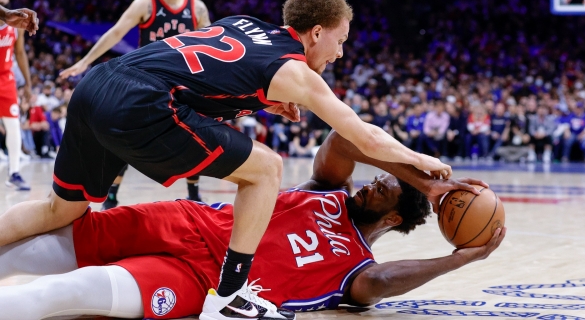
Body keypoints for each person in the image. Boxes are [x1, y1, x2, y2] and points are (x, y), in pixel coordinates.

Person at [0, 0, 451, 320]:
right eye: (340, 40)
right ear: (316, 32)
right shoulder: (298, 71)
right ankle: (234, 293)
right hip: (141, 104)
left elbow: (203, 70)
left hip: (99, 84)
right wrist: (421, 160)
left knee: (60, 209)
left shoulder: (241, 21)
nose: (338, 52)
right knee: (266, 168)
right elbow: (363, 135)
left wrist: (257, 99)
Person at [0, 131, 504, 319]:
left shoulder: (359, 269)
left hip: (205, 285)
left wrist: (462, 258)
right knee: (36, 249)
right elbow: (345, 142)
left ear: (393, 217)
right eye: (377, 180)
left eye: (383, 190)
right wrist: (420, 174)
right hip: (185, 222)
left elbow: (379, 286)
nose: (369, 185)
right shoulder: (324, 190)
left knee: (68, 291)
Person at [59, 0, 211, 209]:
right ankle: (111, 197)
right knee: (124, 134)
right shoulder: (145, 4)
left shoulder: (197, 8)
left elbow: (209, 45)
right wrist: (85, 62)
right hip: (147, 81)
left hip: (181, 82)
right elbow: (116, 32)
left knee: (196, 132)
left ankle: (194, 194)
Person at [0, 0, 33, 190]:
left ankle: (14, 173)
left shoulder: (15, 25)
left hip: (6, 79)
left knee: (13, 126)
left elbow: (20, 54)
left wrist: (28, 83)